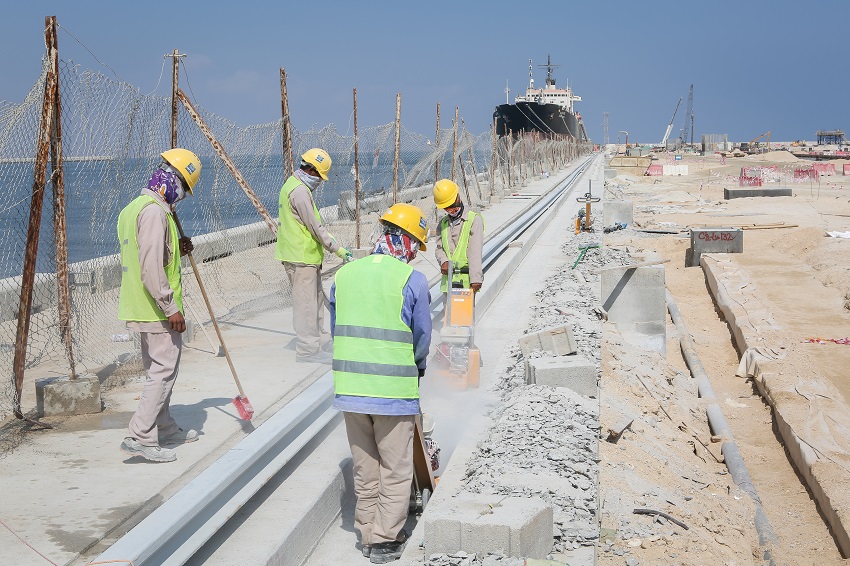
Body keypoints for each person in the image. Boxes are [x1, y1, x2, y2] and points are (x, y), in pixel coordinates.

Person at [328, 203, 432, 564]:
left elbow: (336, 329)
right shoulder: (412, 280)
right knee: (396, 468)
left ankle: (366, 530)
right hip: (392, 393)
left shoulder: (344, 275)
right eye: (416, 245)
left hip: (350, 390)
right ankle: (385, 540)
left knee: (365, 465)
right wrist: (417, 368)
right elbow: (421, 337)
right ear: (407, 240)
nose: (415, 253)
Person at [117, 148, 202, 463]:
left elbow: (148, 253)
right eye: (184, 188)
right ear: (173, 180)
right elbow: (150, 267)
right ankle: (140, 436)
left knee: (158, 370)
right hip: (156, 308)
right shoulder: (155, 213)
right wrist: (170, 307)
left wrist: (176, 248)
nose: (183, 196)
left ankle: (164, 427)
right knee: (163, 372)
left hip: (140, 304)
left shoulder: (134, 208)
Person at [275, 148, 352, 364]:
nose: (319, 181)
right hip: (300, 257)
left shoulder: (292, 184)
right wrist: (336, 248)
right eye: (319, 176)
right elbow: (315, 226)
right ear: (312, 170)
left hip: (304, 257)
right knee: (307, 306)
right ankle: (308, 350)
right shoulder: (300, 191)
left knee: (315, 301)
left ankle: (320, 341)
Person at [433, 179, 485, 293]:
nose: (451, 210)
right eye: (447, 207)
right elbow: (439, 248)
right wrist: (443, 261)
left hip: (466, 282)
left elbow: (475, 252)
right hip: (448, 283)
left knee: (464, 307)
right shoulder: (443, 223)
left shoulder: (473, 220)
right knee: (447, 306)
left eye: (452, 205)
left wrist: (476, 278)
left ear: (458, 197)